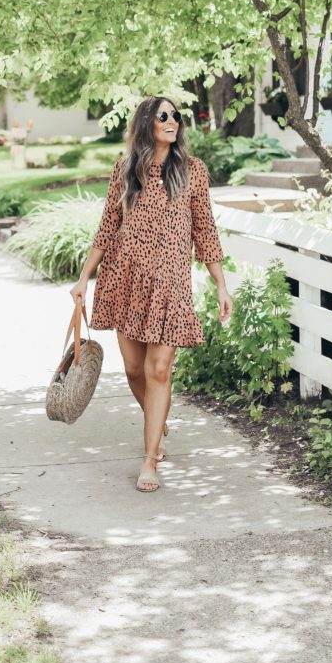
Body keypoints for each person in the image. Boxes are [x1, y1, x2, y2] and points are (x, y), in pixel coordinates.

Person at [69, 95, 233, 492]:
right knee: (133, 371)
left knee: (158, 371)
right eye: (164, 116)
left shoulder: (192, 171)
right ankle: (157, 425)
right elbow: (108, 226)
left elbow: (205, 230)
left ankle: (149, 460)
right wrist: (83, 278)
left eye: (176, 115)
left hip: (170, 284)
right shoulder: (125, 171)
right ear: (147, 123)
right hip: (124, 278)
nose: (172, 120)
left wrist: (221, 284)